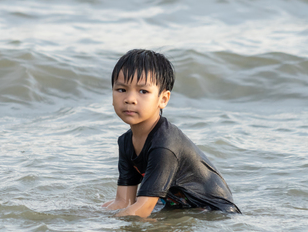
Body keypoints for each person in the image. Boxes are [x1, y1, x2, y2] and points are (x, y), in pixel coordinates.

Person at [102, 49, 241, 217]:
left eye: (143, 91)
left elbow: (143, 209)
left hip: (214, 213)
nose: (130, 99)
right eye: (121, 89)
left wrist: (105, 230)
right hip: (179, 208)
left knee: (146, 231)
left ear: (163, 99)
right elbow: (123, 202)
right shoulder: (126, 142)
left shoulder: (165, 145)